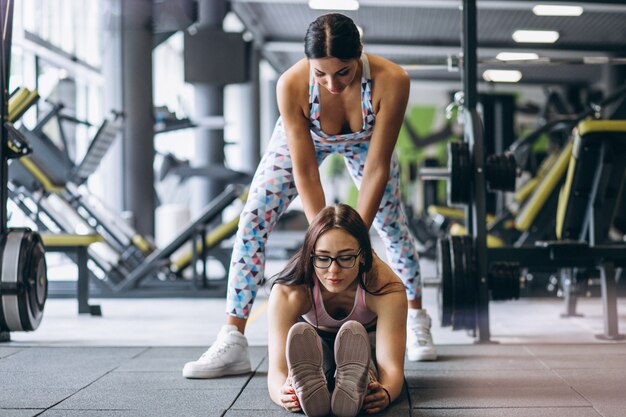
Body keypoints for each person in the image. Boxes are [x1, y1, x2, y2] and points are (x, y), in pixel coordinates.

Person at [182, 12, 436, 380]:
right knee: (253, 218)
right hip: (305, 140)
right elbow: (305, 170)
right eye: (321, 74)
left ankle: (416, 317)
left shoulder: (393, 81)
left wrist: (356, 241)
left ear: (359, 54)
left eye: (343, 73)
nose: (332, 84)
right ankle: (233, 337)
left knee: (393, 225)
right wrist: (325, 242)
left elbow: (378, 167)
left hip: (365, 144)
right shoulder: (292, 84)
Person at [268, 204, 406, 417]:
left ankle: (365, 379)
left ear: (362, 255)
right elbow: (277, 369)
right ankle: (311, 387)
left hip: (366, 340)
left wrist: (385, 392)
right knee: (310, 350)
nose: (333, 270)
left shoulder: (385, 287)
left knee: (362, 347)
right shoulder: (290, 291)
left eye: (345, 258)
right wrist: (282, 393)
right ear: (310, 254)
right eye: (323, 258)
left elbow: (392, 366)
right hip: (315, 338)